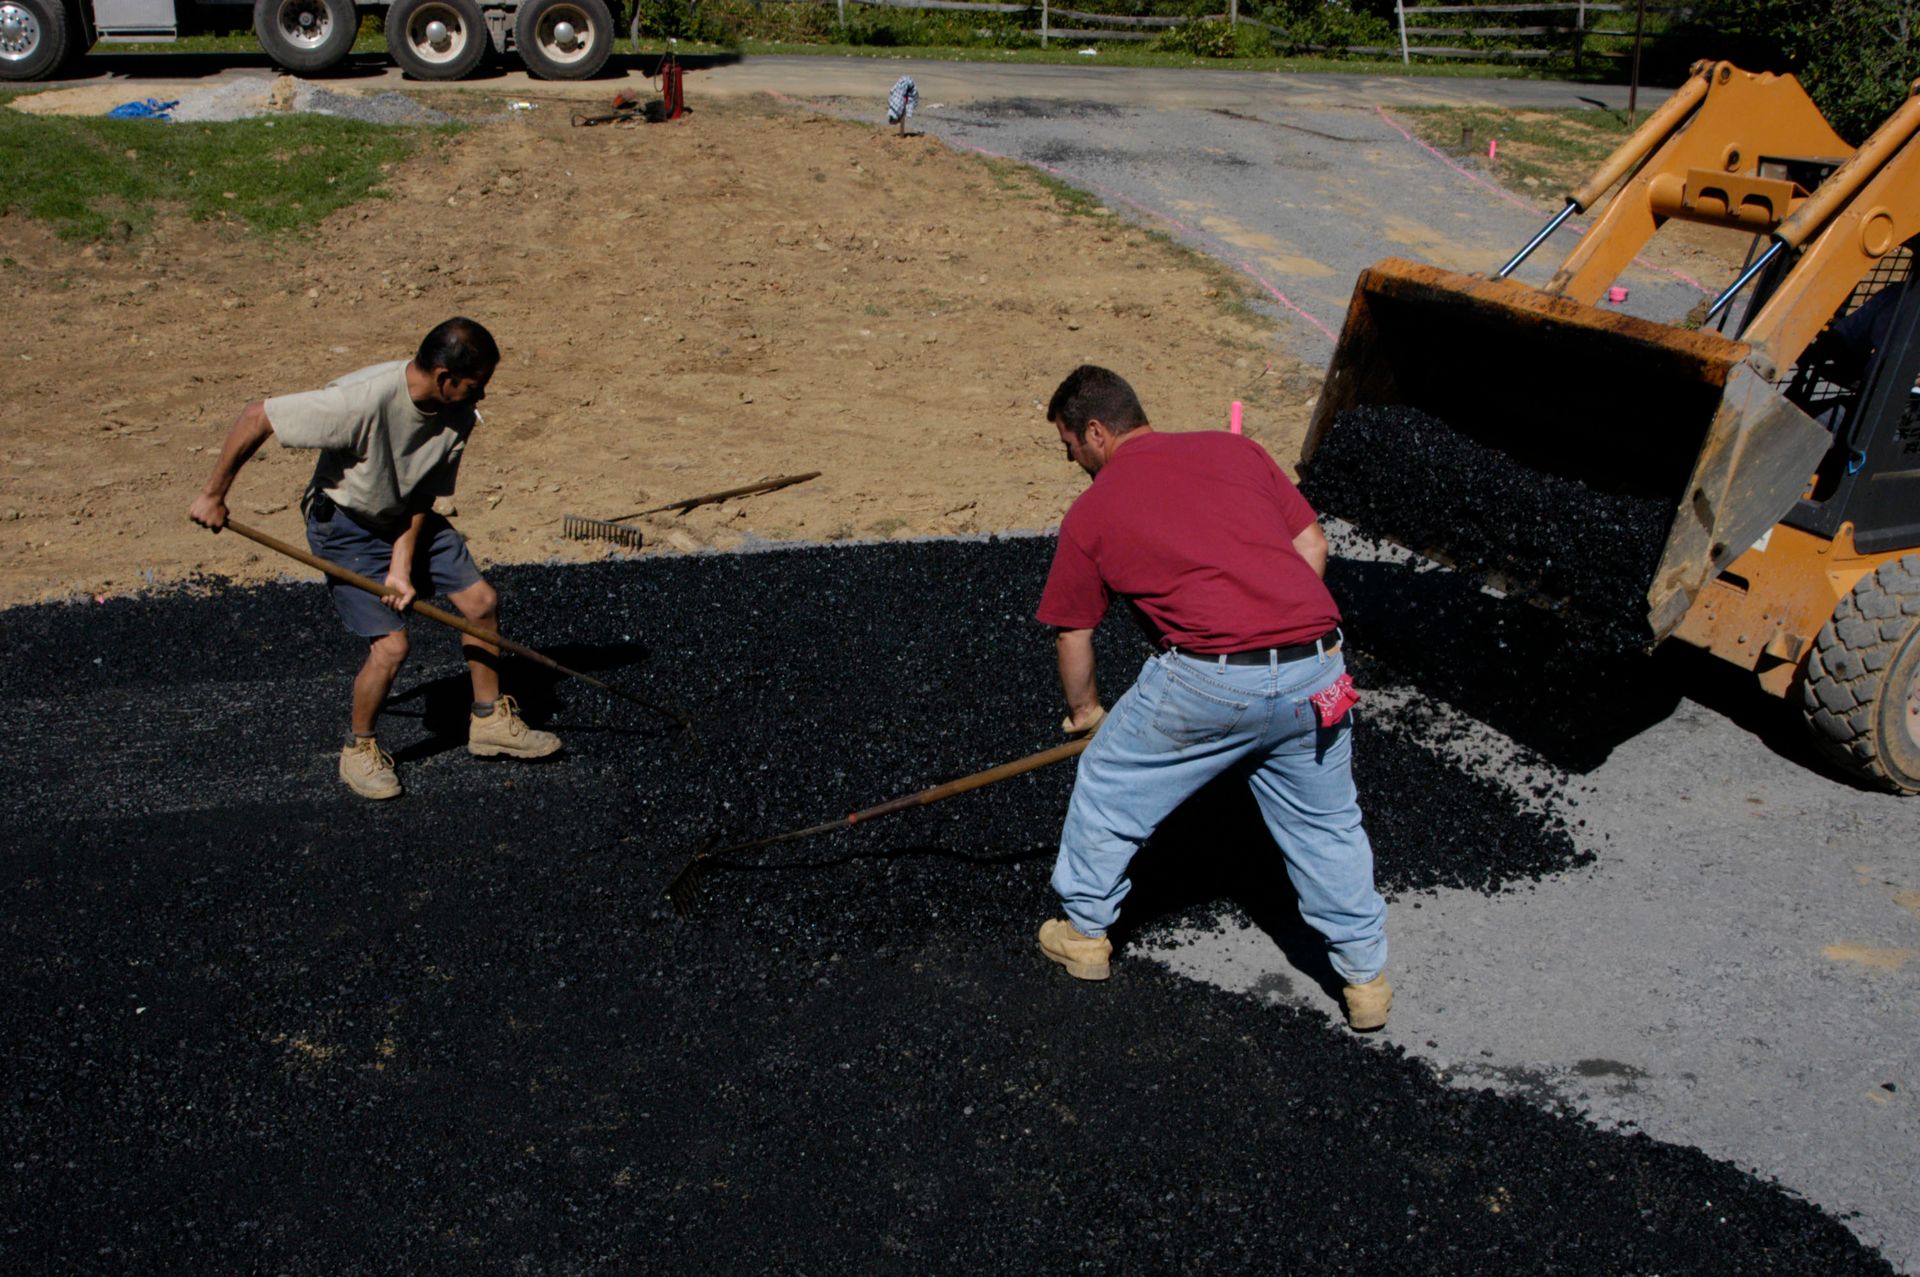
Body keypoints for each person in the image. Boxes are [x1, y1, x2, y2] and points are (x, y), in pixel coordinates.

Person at [1032, 365, 1391, 1031]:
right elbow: (1312, 544)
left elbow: (1074, 632)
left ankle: (1084, 932)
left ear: (1097, 432)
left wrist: (1085, 716)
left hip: (1209, 676)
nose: (1072, 460)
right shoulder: (1239, 451)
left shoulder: (1093, 511)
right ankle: (1365, 977)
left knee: (1110, 778)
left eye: (1071, 446)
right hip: (1320, 666)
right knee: (1327, 824)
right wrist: (1269, 619)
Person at [188, 317, 560, 801]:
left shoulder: (458, 413)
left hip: (403, 517)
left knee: (481, 602)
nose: (481, 395)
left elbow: (421, 496)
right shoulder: (360, 401)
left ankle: (488, 719)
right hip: (345, 526)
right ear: (445, 376)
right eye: (476, 384)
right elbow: (257, 415)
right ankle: (358, 748)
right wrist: (213, 495)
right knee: (392, 647)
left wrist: (401, 565)